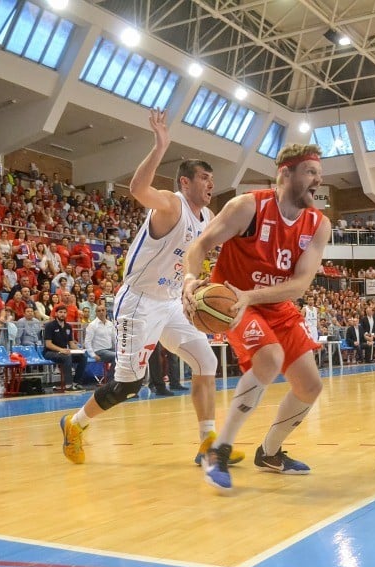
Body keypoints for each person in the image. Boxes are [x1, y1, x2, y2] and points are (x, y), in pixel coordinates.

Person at [58, 109, 228, 466]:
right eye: (204, 178)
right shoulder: (170, 204)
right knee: (128, 386)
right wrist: (160, 146)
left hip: (170, 303)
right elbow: (137, 189)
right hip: (139, 302)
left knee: (207, 360)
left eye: (212, 179)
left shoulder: (208, 218)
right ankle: (74, 423)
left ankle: (207, 444)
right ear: (185, 183)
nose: (210, 184)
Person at [182, 142, 331, 492]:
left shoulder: (318, 224)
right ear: (285, 173)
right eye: (311, 173)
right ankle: (218, 451)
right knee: (269, 357)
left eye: (319, 175)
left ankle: (270, 452)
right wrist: (190, 280)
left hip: (272, 302)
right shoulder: (247, 207)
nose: (317, 182)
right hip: (232, 299)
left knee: (310, 386)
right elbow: (199, 246)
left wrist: (252, 295)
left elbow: (298, 286)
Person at [43, 304, 88, 390]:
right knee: (67, 356)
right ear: (56, 314)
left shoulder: (68, 327)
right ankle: (68, 385)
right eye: (60, 312)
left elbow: (71, 344)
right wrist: (61, 350)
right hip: (50, 352)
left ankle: (76, 382)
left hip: (63, 352)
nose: (62, 314)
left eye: (64, 312)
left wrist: (79, 350)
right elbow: (48, 344)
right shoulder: (49, 326)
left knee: (83, 357)